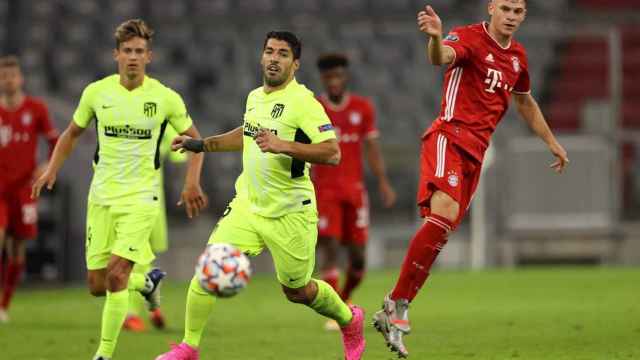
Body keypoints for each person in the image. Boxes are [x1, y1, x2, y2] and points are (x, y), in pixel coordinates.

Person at [372, 1, 570, 358]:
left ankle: (396, 304)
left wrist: (553, 142)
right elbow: (441, 57)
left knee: (441, 230)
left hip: (477, 153)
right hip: (449, 136)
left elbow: (525, 102)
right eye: (506, 8)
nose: (511, 16)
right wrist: (434, 38)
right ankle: (397, 302)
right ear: (492, 7)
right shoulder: (468, 37)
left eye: (519, 11)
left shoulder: (518, 57)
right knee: (443, 216)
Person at [155, 31, 365, 360]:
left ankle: (349, 320)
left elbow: (332, 152)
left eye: (283, 54)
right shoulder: (254, 97)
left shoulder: (303, 102)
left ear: (295, 64)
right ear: (261, 57)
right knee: (209, 267)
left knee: (298, 291)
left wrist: (285, 145)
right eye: (269, 51)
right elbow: (247, 135)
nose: (274, 58)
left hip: (290, 212)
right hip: (248, 205)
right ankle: (188, 347)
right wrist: (201, 144)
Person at [31, 19, 207, 360]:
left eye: (139, 51)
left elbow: (194, 141)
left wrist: (191, 181)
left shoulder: (164, 97)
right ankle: (147, 283)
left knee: (115, 275)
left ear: (149, 57)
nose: (133, 57)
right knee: (97, 285)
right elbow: (70, 134)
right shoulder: (97, 93)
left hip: (142, 198)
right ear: (116, 54)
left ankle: (103, 354)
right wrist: (52, 168)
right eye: (127, 51)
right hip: (101, 197)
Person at [313, 53, 396, 330]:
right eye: (328, 77)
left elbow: (372, 148)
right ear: (323, 79)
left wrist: (383, 181)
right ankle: (336, 311)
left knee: (359, 258)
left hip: (354, 191)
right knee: (330, 247)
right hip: (324, 190)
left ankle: (343, 299)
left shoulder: (363, 107)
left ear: (345, 77)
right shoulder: (314, 108)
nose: (334, 81)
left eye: (338, 76)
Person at [0, 55, 59, 323]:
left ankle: (5, 305)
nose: (8, 80)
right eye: (3, 76)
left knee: (17, 248)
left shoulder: (36, 109)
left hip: (24, 190)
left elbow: (54, 141)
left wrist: (46, 167)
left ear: (20, 79)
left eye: (12, 75)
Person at [123, 125, 187, 332]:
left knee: (140, 259)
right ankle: (148, 306)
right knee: (136, 259)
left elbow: (180, 156)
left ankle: (134, 313)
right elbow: (179, 162)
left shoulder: (162, 122)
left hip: (150, 202)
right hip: (123, 201)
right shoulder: (116, 120)